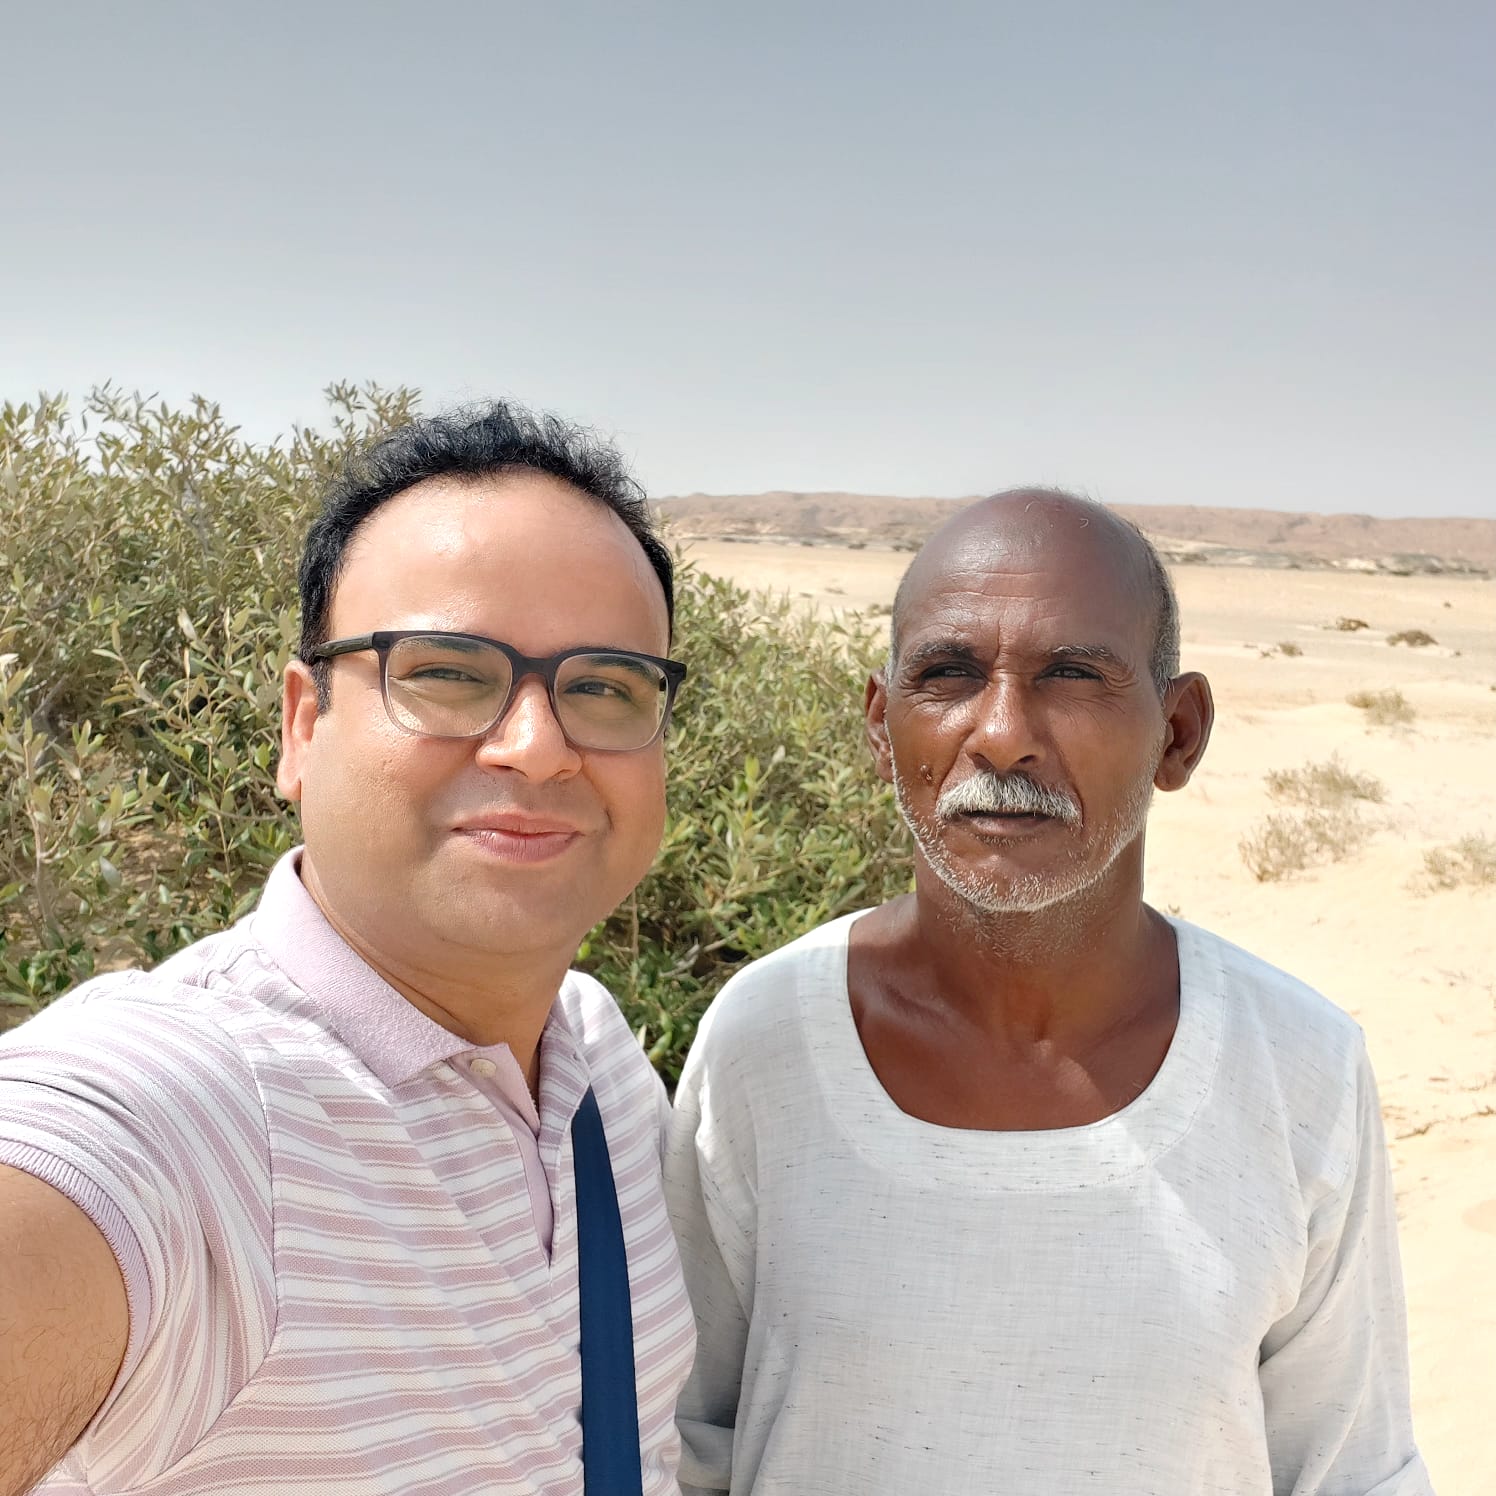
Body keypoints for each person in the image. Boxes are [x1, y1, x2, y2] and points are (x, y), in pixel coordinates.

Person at [665, 489, 1433, 1495]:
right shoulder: (764, 1042)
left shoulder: (1296, 1063)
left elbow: (1350, 1467)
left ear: (1176, 734)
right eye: (943, 674)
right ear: (878, 726)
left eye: (1070, 674)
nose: (999, 734)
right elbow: (680, 1440)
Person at [0, 402, 697, 1496]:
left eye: (605, 687)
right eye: (448, 671)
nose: (536, 746)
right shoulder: (185, 1113)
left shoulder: (599, 1063)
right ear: (303, 725)